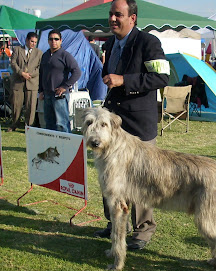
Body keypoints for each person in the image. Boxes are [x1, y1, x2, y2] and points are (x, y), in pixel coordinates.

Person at [95, 0, 169, 250]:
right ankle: (115, 224)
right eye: (111, 14)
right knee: (109, 176)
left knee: (141, 180)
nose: (113, 19)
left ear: (132, 18)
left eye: (118, 14)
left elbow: (161, 77)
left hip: (139, 126)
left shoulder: (149, 43)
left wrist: (124, 80)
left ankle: (143, 230)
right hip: (112, 129)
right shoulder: (109, 43)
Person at [38, 29, 81, 132]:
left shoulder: (65, 55)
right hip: (47, 95)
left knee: (62, 124)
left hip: (59, 96)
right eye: (51, 39)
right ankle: (52, 146)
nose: (54, 41)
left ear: (61, 41)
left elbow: (77, 72)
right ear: (48, 41)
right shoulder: (45, 55)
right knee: (49, 123)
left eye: (56, 39)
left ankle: (66, 146)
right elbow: (41, 74)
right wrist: (41, 91)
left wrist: (65, 86)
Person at [7, 32, 42, 132]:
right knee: (16, 104)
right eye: (32, 41)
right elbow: (13, 63)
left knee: (30, 106)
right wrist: (21, 73)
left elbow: (39, 67)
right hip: (18, 82)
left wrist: (30, 75)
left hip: (32, 82)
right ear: (26, 40)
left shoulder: (39, 53)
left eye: (35, 42)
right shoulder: (17, 50)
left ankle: (29, 126)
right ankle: (14, 124)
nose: (33, 44)